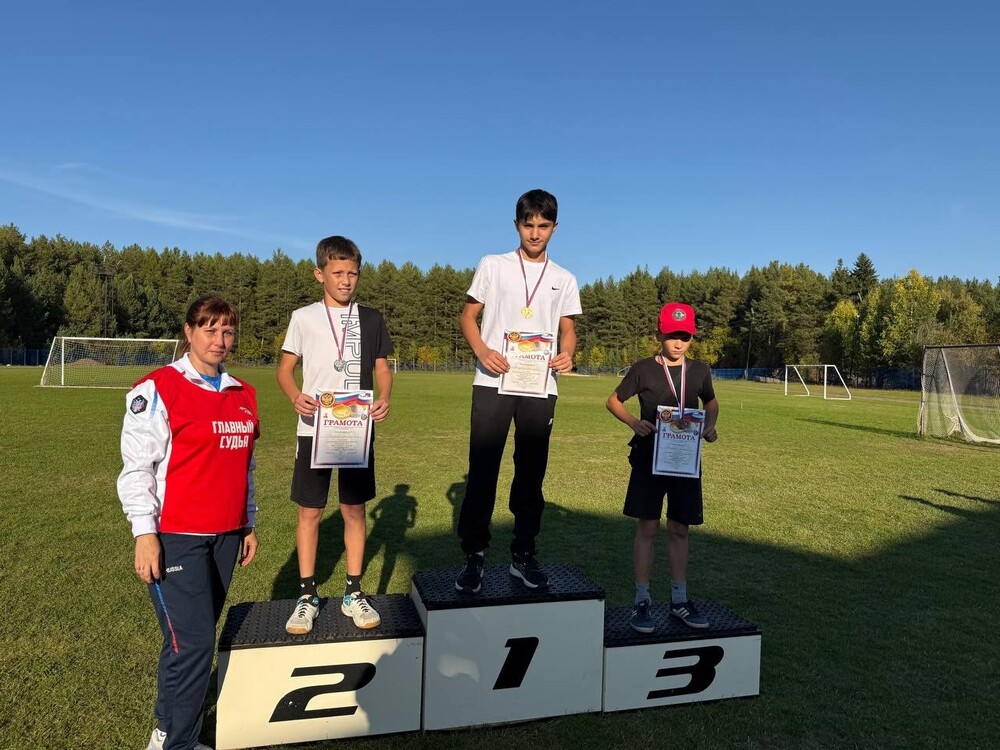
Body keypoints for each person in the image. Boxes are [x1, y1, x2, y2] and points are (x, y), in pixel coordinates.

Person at [118, 295, 259, 750]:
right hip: (176, 537)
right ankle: (181, 743)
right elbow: (137, 468)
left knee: (184, 642)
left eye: (227, 331)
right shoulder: (158, 388)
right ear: (189, 331)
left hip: (226, 536)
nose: (220, 340)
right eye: (209, 329)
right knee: (195, 644)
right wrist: (145, 533)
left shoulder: (243, 393)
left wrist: (248, 522)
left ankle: (165, 731)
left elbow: (245, 466)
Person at [454, 189, 581, 594]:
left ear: (555, 227)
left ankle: (523, 554)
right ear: (516, 225)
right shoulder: (493, 265)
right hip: (493, 381)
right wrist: (482, 350)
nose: (535, 233)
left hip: (539, 386)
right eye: (528, 225)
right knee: (483, 469)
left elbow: (568, 330)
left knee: (531, 472)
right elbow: (468, 316)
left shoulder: (564, 278)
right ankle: (474, 555)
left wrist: (567, 354)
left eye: (543, 225)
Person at [278, 235, 393, 634]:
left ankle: (353, 592)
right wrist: (295, 396)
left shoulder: (372, 318)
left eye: (352, 273)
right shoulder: (303, 317)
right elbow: (285, 370)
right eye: (338, 272)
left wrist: (385, 397)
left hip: (356, 428)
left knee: (354, 510)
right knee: (310, 511)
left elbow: (382, 368)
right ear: (319, 274)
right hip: (314, 428)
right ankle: (307, 596)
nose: (346, 280)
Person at [606, 302, 719, 632]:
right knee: (648, 527)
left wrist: (709, 426)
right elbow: (613, 400)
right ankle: (642, 600)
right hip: (649, 458)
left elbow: (711, 401)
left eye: (685, 336)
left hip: (685, 460)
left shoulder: (699, 370)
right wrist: (633, 422)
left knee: (680, 528)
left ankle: (679, 600)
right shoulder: (643, 368)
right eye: (671, 336)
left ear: (692, 338)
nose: (678, 343)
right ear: (658, 335)